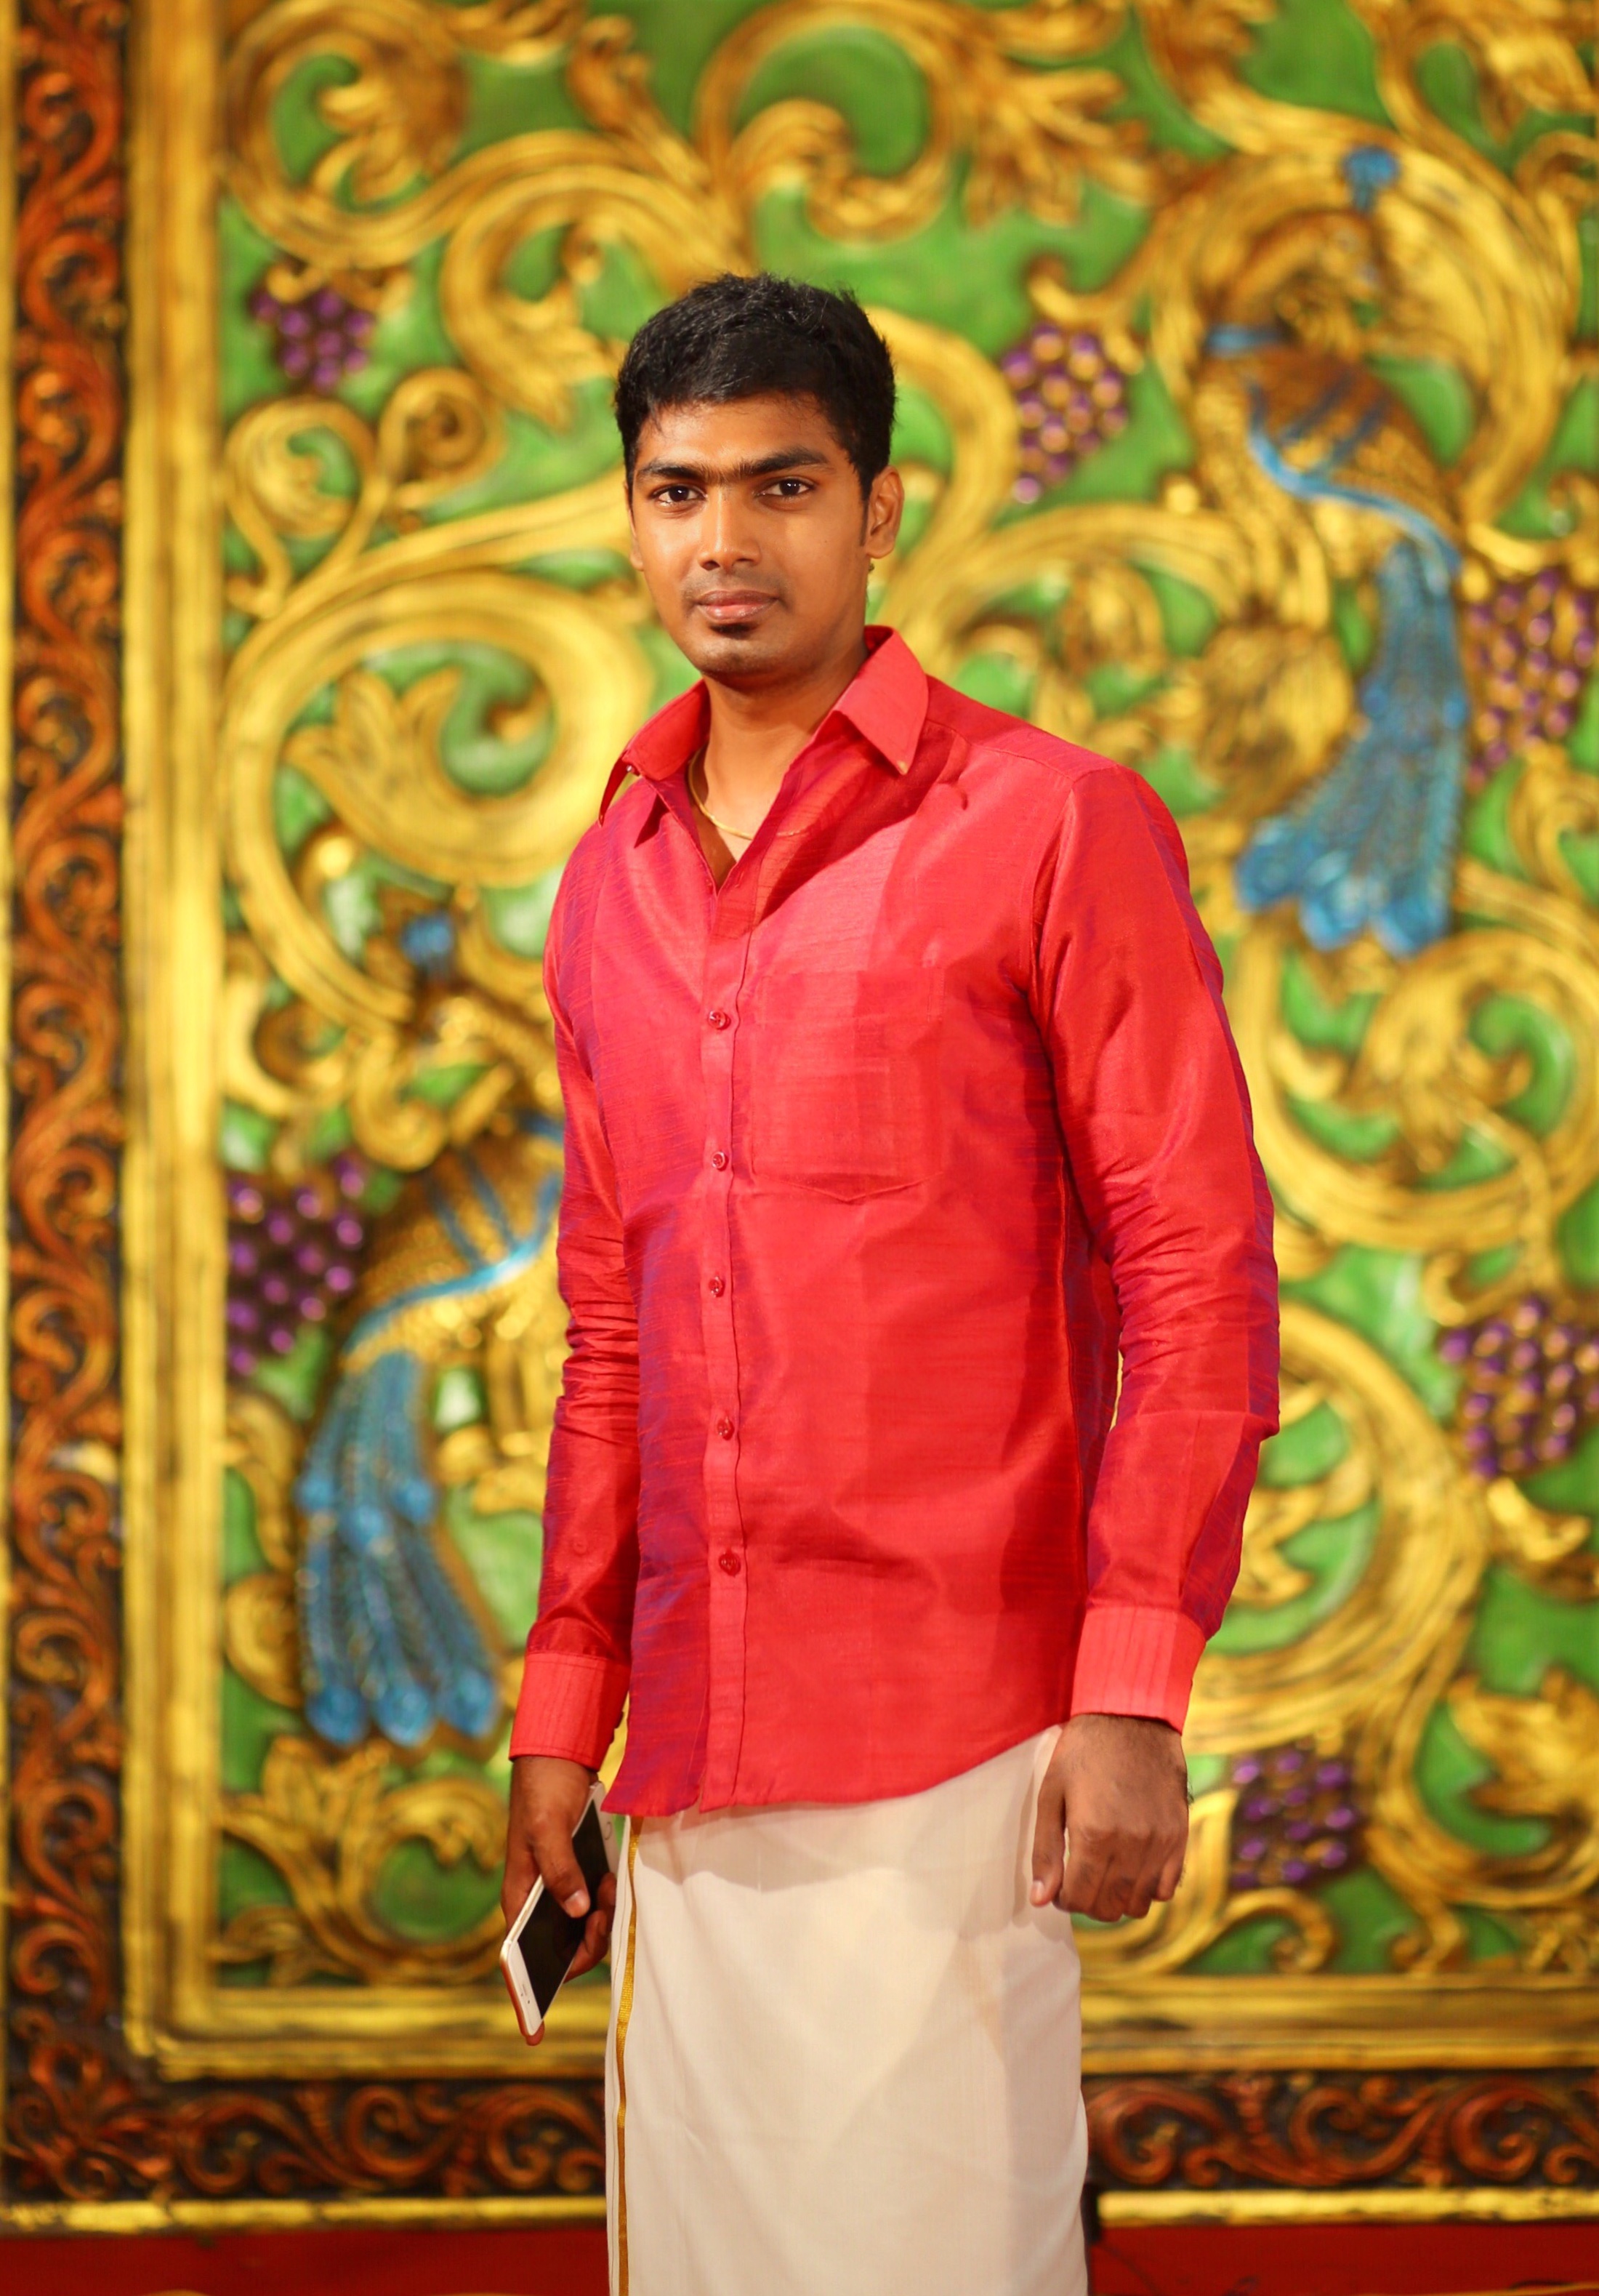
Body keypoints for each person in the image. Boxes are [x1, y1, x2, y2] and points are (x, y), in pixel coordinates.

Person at [502, 272, 1278, 2296]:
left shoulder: (1054, 826)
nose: (725, 540)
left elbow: (1198, 1277)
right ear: (632, 514)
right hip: (689, 1749)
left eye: (783, 486)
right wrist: (565, 1706)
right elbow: (614, 1336)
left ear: (880, 513)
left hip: (966, 1743)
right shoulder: (610, 880)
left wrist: (1132, 1697)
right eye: (678, 491)